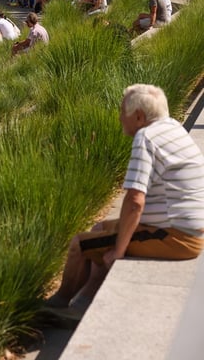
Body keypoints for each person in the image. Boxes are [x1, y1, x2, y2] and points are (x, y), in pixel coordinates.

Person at [43, 84, 204, 315]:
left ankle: (58, 305)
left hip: (176, 237)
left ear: (138, 116)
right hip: (184, 229)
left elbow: (135, 201)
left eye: (122, 111)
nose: (119, 117)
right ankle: (84, 300)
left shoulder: (146, 137)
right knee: (99, 230)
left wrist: (119, 250)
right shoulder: (172, 128)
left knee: (80, 243)